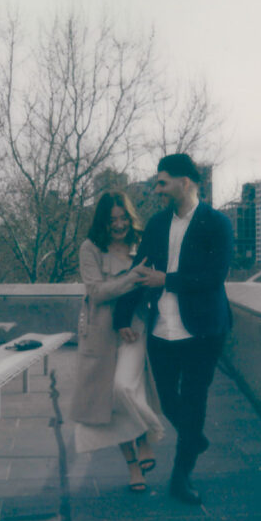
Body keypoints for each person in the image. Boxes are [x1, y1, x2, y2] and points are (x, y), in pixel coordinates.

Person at [114, 154, 233, 505]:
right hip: (162, 330)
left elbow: (215, 277)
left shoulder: (217, 223)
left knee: (195, 401)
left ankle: (181, 477)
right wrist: (122, 317)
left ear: (186, 181)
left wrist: (168, 280)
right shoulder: (157, 224)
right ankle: (194, 438)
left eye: (163, 182)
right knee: (167, 399)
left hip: (203, 331)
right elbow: (138, 271)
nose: (158, 189)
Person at [68, 191, 164, 492]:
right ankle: (133, 465)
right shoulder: (90, 248)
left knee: (125, 387)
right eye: (112, 220)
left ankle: (147, 434)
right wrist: (132, 277)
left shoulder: (141, 242)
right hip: (100, 331)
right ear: (103, 222)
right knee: (109, 401)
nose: (119, 225)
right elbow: (96, 293)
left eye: (123, 218)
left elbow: (149, 283)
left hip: (135, 326)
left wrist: (141, 283)